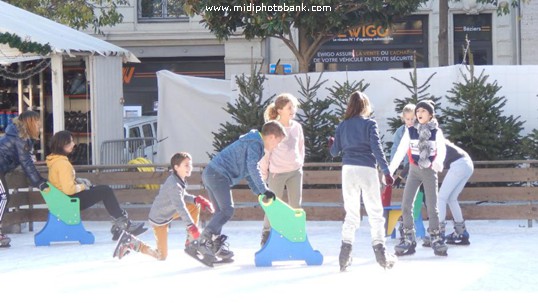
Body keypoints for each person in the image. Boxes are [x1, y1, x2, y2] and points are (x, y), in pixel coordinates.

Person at [193, 120, 286, 263]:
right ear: (272, 137)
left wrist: (260, 192)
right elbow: (252, 167)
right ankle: (202, 241)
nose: (276, 146)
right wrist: (264, 189)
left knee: (220, 213)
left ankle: (214, 245)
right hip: (218, 175)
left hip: (212, 173)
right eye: (277, 142)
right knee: (227, 211)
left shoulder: (253, 142)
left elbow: (248, 172)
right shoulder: (256, 144)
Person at [329, 91, 397, 271]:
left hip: (348, 170)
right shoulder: (369, 124)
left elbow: (334, 152)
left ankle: (345, 253)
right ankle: (381, 253)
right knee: (375, 212)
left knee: (351, 213)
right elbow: (377, 148)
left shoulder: (342, 125)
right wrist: (386, 171)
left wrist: (332, 143)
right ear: (365, 106)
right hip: (367, 169)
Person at [113, 152, 215, 260]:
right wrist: (192, 227)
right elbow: (180, 206)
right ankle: (130, 242)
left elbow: (181, 197)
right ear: (176, 167)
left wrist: (196, 199)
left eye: (190, 165)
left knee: (194, 205)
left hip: (168, 213)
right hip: (159, 220)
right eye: (186, 165)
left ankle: (190, 241)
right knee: (161, 256)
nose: (190, 167)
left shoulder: (178, 179)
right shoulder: (174, 185)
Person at [46, 130, 146, 241]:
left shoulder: (56, 161)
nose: (73, 144)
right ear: (62, 145)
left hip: (63, 200)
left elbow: (62, 184)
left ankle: (121, 224)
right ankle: (122, 224)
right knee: (105, 191)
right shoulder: (62, 164)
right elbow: (68, 189)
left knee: (101, 190)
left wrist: (78, 182)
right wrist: (83, 186)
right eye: (70, 142)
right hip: (70, 201)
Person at [388, 100, 448, 256]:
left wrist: (438, 162)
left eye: (423, 111)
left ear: (430, 114)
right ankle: (408, 238)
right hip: (414, 171)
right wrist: (390, 171)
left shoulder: (436, 131)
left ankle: (435, 237)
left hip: (429, 170)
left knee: (432, 206)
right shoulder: (410, 131)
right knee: (406, 204)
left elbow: (441, 149)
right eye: (418, 111)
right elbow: (401, 151)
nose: (419, 114)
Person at [259, 93, 305, 246]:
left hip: (295, 172)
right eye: (289, 107)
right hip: (277, 172)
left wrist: (299, 164)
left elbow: (301, 147)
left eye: (294, 107)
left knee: (295, 205)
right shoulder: (273, 127)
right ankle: (266, 234)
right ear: (279, 110)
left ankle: (295, 234)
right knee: (272, 205)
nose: (292, 110)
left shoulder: (297, 127)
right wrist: (264, 174)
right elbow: (266, 152)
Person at [0, 111, 49, 247]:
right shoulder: (20, 138)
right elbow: (26, 163)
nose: (39, 124)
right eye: (37, 121)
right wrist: (39, 182)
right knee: (3, 197)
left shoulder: (19, 136)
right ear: (30, 122)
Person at [437, 140, 473, 245]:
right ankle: (461, 232)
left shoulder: (433, 142)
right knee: (451, 198)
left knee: (441, 198)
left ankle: (438, 233)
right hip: (467, 164)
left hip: (459, 164)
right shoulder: (440, 140)